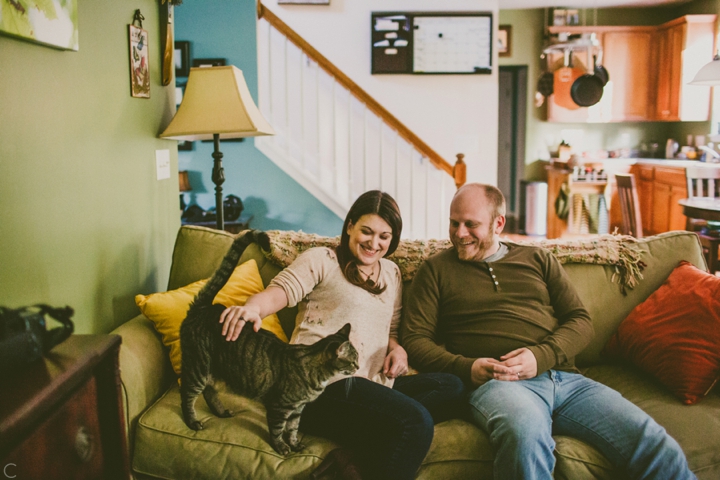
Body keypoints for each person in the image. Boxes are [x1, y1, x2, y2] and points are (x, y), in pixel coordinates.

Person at [401, 183, 696, 480]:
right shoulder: (436, 270)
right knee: (523, 435)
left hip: (567, 381)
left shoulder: (537, 259)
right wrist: (466, 367)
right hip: (501, 384)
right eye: (454, 223)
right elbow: (414, 338)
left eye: (470, 224)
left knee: (655, 442)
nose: (459, 233)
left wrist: (540, 356)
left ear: (498, 223)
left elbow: (580, 320)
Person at [220, 190, 464, 480]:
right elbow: (281, 292)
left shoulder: (391, 272)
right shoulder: (322, 260)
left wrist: (397, 350)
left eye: (384, 236)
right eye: (366, 232)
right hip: (321, 386)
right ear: (349, 226)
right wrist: (252, 309)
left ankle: (352, 458)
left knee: (452, 387)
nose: (374, 244)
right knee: (416, 422)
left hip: (370, 383)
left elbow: (392, 329)